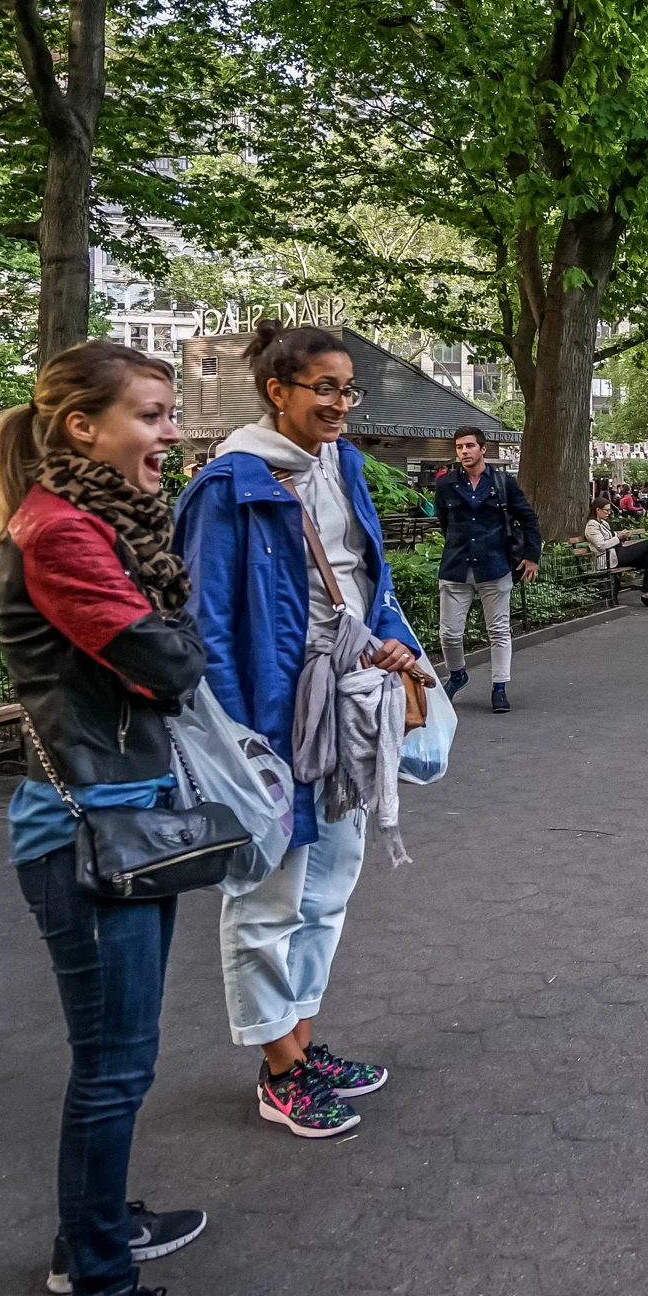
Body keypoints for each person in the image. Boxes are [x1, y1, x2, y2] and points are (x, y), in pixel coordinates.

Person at [0, 340, 218, 1296]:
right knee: (116, 1066)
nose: (172, 435)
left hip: (116, 813)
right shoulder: (63, 532)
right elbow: (168, 662)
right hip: (91, 830)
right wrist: (174, 637)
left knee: (117, 1058)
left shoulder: (91, 521)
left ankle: (92, 1234)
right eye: (155, 416)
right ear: (84, 427)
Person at [174, 321, 421, 1141]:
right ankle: (278, 1071)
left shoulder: (342, 464)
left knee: (329, 884)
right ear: (277, 390)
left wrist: (393, 647)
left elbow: (365, 579)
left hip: (348, 702)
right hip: (273, 720)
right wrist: (241, 742)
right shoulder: (226, 486)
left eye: (348, 390)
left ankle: (302, 1047)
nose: (341, 404)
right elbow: (206, 623)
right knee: (268, 892)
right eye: (325, 388)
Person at [432, 427, 540, 713]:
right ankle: (457, 674)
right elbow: (444, 522)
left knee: (499, 631)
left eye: (469, 446)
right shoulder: (445, 484)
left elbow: (528, 519)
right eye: (459, 447)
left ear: (483, 449)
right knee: (450, 633)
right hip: (455, 567)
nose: (464, 451)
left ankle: (499, 687)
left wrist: (531, 557)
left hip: (495, 566)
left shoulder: (503, 483)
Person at [585, 497, 648, 604]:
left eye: (610, 510)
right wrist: (618, 538)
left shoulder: (604, 523)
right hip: (608, 559)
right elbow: (601, 545)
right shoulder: (592, 525)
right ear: (597, 510)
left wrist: (622, 536)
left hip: (618, 553)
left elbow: (612, 538)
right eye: (606, 510)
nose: (609, 513)